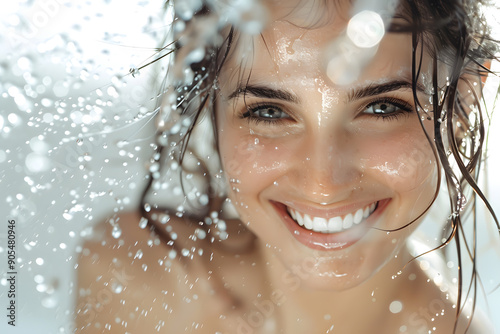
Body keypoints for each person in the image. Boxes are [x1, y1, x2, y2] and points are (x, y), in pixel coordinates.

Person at [75, 0, 499, 332]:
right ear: (209, 105)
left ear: (461, 106)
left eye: (382, 107)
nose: (323, 183)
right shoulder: (134, 278)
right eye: (269, 112)